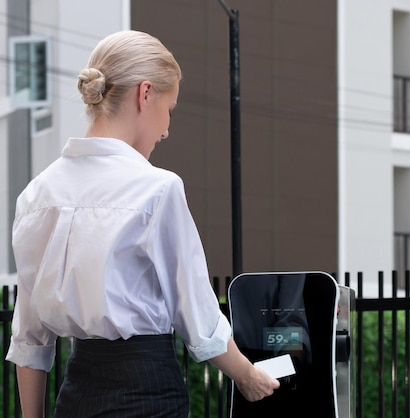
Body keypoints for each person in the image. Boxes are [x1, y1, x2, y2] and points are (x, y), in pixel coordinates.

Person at [5, 30, 279, 418]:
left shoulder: (36, 196)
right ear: (145, 94)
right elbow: (198, 317)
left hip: (76, 397)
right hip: (147, 394)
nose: (166, 130)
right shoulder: (158, 188)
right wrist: (249, 377)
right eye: (169, 110)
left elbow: (30, 340)